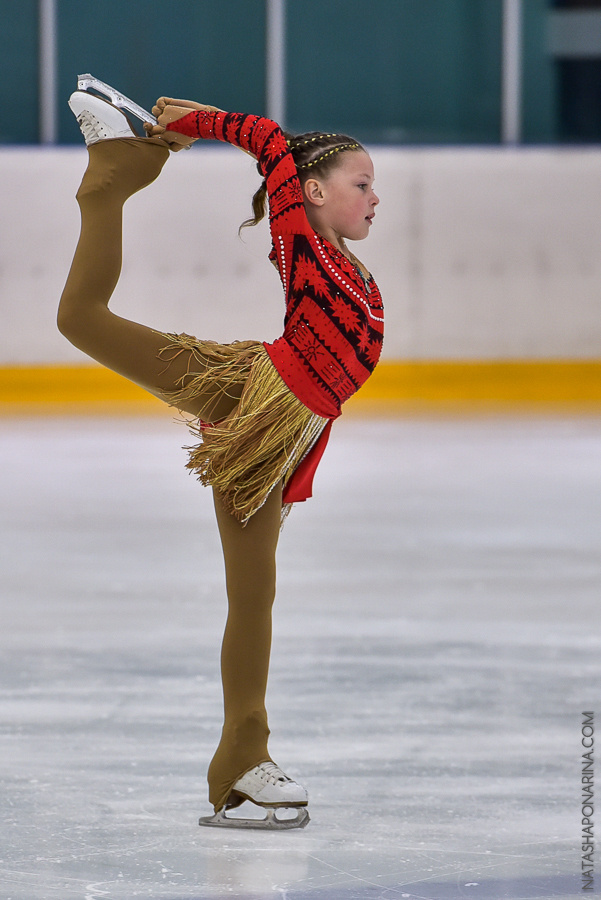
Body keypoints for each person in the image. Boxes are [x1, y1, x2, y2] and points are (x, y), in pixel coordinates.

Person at [58, 76, 383, 830]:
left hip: (279, 429)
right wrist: (193, 122)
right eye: (361, 184)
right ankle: (108, 178)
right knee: (80, 317)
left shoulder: (348, 263)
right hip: (248, 401)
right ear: (309, 192)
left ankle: (242, 763)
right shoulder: (300, 242)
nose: (374, 199)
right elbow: (270, 139)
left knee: (253, 594)